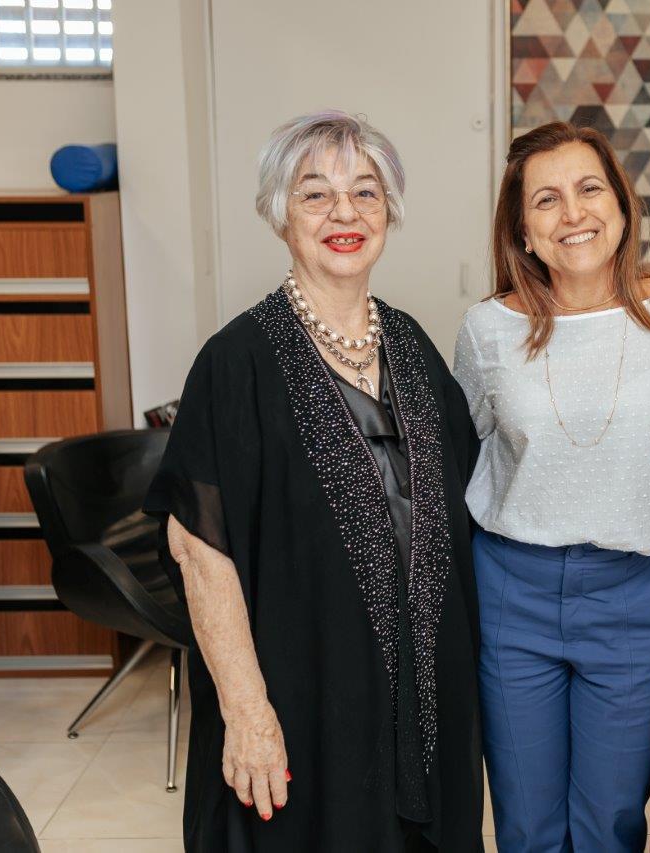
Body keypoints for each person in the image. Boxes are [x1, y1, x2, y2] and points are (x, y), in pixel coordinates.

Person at [143, 110, 483, 852]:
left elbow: (464, 512)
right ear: (280, 214)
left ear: (389, 210)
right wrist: (247, 712)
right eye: (316, 194)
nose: (344, 213)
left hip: (425, 701)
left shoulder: (414, 347)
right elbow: (198, 549)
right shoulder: (236, 362)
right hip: (300, 701)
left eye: (365, 192)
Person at [453, 121, 650, 852]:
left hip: (634, 594)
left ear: (623, 207)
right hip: (512, 592)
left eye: (589, 188)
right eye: (546, 199)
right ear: (523, 231)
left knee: (611, 823)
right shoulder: (485, 330)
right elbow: (461, 453)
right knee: (527, 825)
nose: (573, 213)